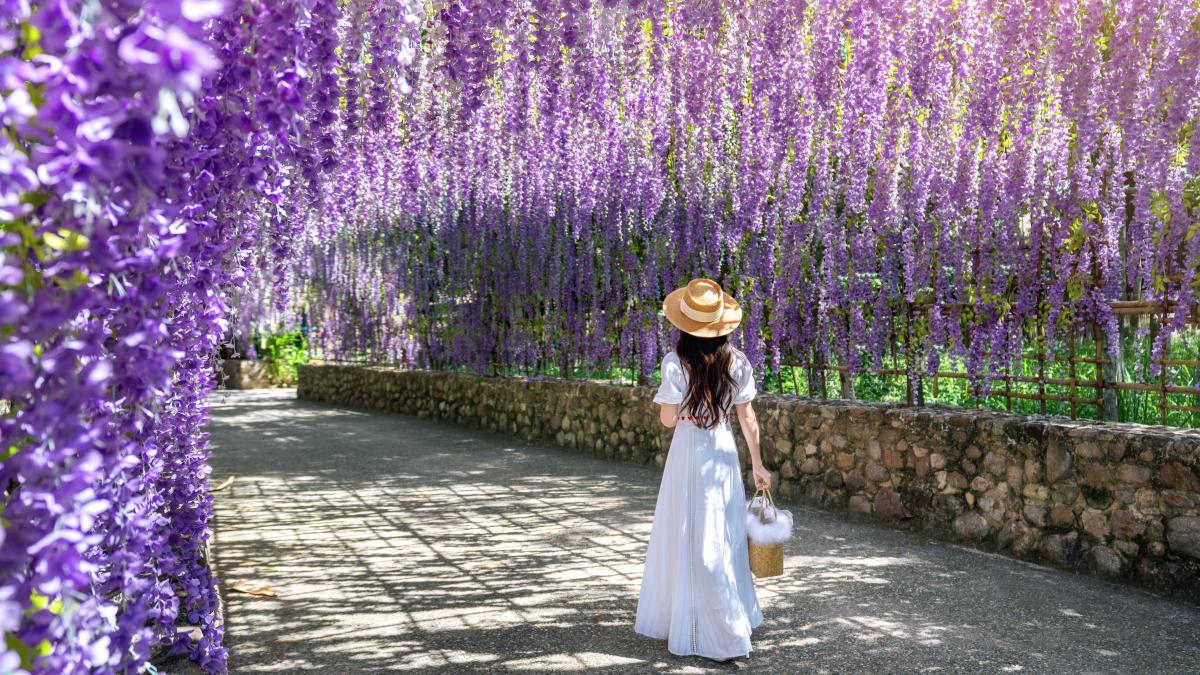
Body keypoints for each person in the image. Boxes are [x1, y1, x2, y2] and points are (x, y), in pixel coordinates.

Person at [633, 277, 771, 662]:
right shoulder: (737, 361)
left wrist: (684, 406)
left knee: (690, 531)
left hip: (689, 450)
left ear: (684, 325)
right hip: (722, 450)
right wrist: (758, 464)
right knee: (720, 532)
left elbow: (667, 420)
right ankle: (719, 615)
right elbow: (748, 419)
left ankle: (714, 627)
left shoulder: (675, 363)